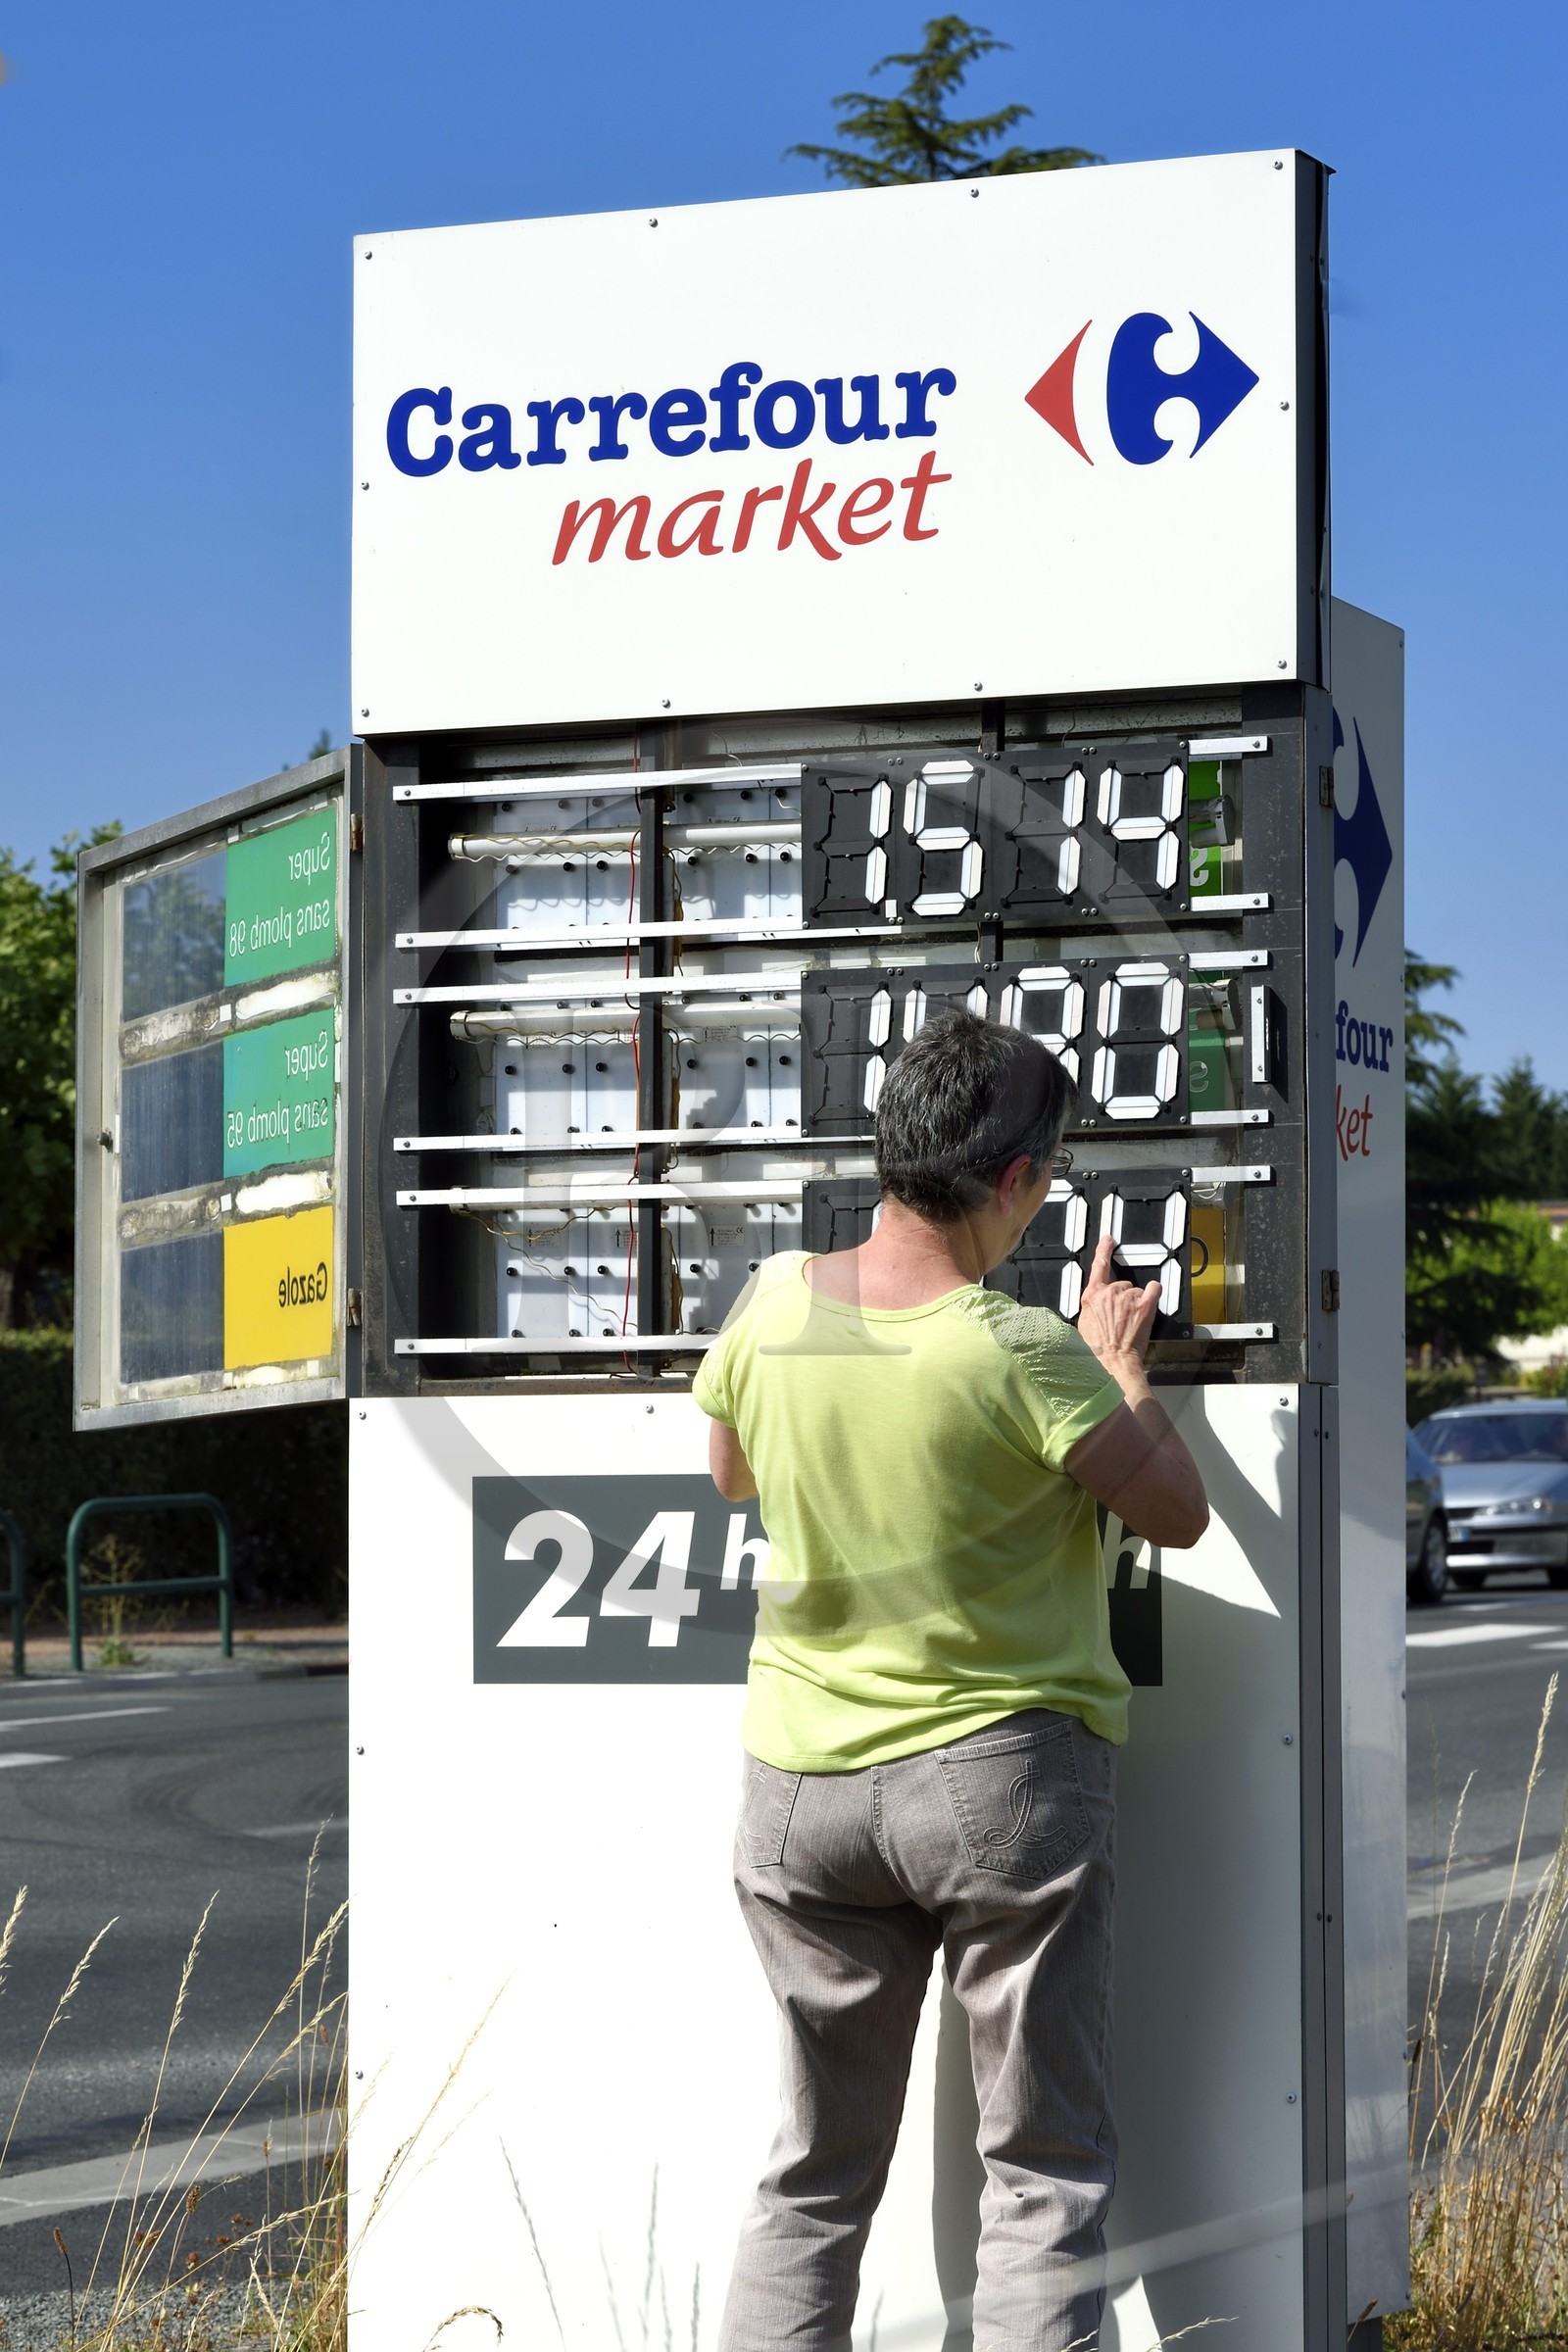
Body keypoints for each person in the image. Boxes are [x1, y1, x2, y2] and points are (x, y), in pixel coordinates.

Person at [692, 1009, 1208, 2352]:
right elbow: (1177, 1512)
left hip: (799, 1795)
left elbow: (731, 1472)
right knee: (1039, 2175)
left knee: (810, 2178)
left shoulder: (772, 1304)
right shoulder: (1015, 1347)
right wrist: (1118, 1367)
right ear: (1020, 1182)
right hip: (995, 1789)